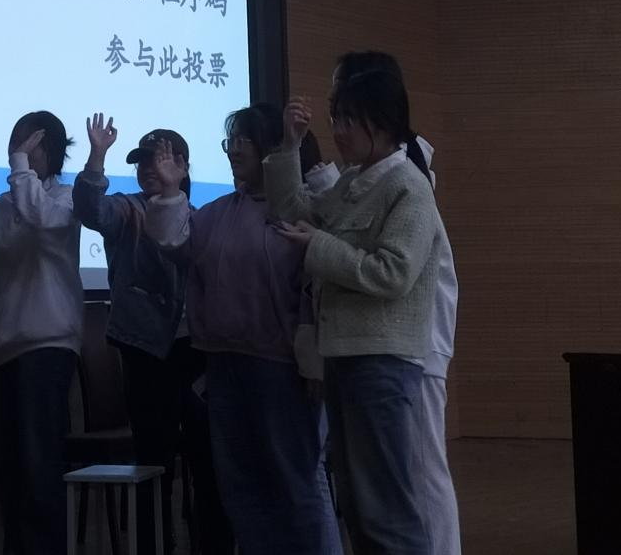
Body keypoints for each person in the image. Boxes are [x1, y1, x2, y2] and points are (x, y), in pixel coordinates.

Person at [143, 103, 342, 555]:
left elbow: (319, 289)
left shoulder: (300, 209)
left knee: (296, 484)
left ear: (272, 147)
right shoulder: (219, 212)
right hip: (225, 366)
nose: (233, 151)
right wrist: (171, 189)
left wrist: (315, 365)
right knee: (242, 489)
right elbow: (176, 243)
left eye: (242, 141)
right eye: (229, 142)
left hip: (283, 370)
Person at [266, 60, 446, 555]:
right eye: (335, 118)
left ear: (381, 124)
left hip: (382, 363)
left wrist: (319, 247)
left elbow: (393, 272)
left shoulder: (409, 186)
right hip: (346, 358)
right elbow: (292, 212)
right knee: (357, 503)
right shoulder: (354, 182)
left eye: (347, 120)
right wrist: (289, 146)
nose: (337, 131)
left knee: (386, 509)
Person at [73, 115, 232, 555]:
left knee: (208, 459)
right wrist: (97, 157)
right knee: (152, 461)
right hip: (144, 352)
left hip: (196, 351)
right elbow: (91, 210)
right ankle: (153, 546)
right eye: (141, 161)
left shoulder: (200, 218)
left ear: (182, 166)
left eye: (157, 160)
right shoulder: (128, 208)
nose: (147, 168)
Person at [331, 53, 459, 555]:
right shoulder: (364, 173)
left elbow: (394, 267)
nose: (336, 121)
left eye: (345, 108)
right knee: (378, 493)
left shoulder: (405, 172)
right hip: (384, 342)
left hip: (410, 342)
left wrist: (319, 246)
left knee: (418, 478)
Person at [0, 111, 82, 555]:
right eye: (17, 142)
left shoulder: (67, 199)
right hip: (1, 352)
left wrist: (20, 166)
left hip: (48, 346)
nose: (22, 151)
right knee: (7, 470)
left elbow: (39, 217)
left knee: (38, 466)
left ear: (53, 150)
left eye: (32, 144)